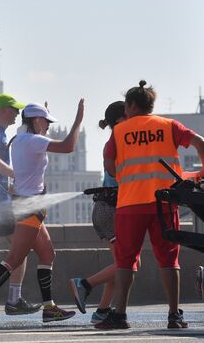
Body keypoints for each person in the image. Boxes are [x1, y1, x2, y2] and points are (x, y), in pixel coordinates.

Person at [96, 80, 204, 329]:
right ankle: (174, 315)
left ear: (132, 105)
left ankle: (120, 315)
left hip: (130, 203)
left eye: (126, 105)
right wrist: (198, 176)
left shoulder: (120, 131)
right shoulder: (168, 126)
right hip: (165, 203)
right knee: (168, 258)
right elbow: (200, 142)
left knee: (125, 260)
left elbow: (109, 165)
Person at [0, 100, 83, 327]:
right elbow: (69, 146)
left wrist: (45, 112)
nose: (49, 126)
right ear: (37, 120)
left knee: (47, 254)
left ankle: (49, 308)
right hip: (30, 207)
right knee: (14, 259)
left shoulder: (19, 139)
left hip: (30, 205)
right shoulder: (34, 140)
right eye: (47, 121)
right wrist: (78, 120)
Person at [0, 93, 41, 316]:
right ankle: (12, 300)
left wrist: (11, 185)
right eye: (13, 110)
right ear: (3, 111)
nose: (16, 115)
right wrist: (17, 174)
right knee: (20, 248)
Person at [69, 101, 127, 324]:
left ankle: (102, 311)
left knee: (119, 263)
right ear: (120, 120)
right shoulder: (118, 143)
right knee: (128, 264)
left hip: (104, 210)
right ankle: (84, 285)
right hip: (110, 210)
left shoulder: (116, 141)